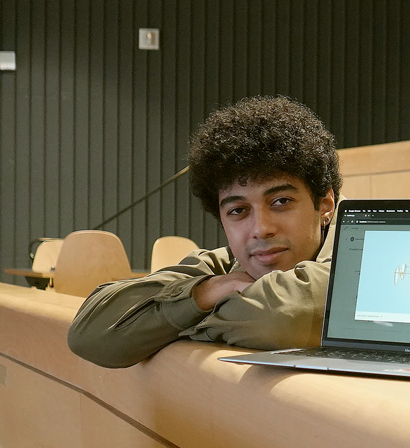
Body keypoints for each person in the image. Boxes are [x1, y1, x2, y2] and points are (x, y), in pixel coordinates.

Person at [68, 95, 341, 368]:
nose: (261, 229)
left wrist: (179, 325)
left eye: (281, 202)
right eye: (238, 211)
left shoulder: (358, 266)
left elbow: (280, 318)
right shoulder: (222, 269)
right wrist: (203, 292)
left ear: (325, 205)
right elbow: (88, 333)